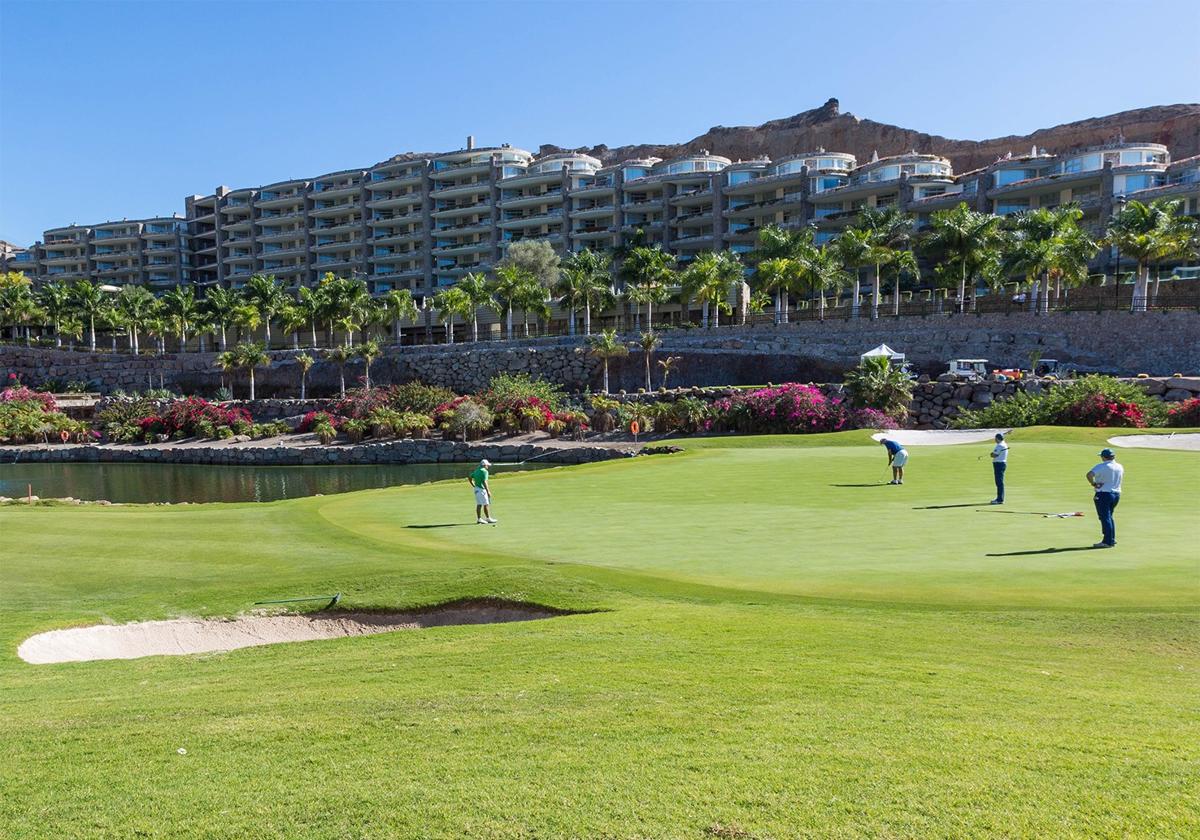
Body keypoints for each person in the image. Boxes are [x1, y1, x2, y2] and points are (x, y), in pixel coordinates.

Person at [1086, 448, 1123, 548]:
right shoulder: (1119, 466)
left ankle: (1107, 542)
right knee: (1109, 516)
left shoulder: (1102, 466)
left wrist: (1093, 483)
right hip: (1116, 495)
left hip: (1104, 494)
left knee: (1105, 517)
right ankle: (1111, 539)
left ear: (1104, 457)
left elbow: (1089, 475)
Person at [467, 459, 497, 524]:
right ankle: (488, 518)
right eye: (487, 465)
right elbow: (484, 482)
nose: (488, 466)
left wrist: (473, 485)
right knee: (486, 504)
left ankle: (479, 519)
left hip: (476, 489)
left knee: (479, 504)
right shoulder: (484, 471)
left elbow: (469, 477)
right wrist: (488, 491)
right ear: (484, 465)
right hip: (481, 490)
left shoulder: (477, 470)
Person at [989, 433, 1009, 504]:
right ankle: (999, 498)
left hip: (999, 464)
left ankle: (1000, 499)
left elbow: (994, 455)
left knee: (999, 482)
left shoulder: (1000, 445)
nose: (995, 439)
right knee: (999, 482)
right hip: (1001, 464)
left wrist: (991, 454)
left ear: (997, 438)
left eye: (995, 438)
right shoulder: (1004, 444)